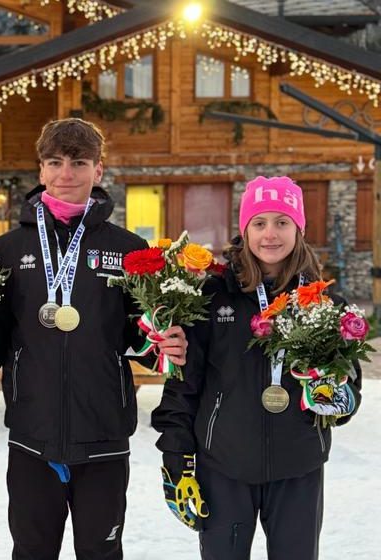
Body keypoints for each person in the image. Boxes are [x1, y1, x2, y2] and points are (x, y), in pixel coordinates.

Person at [0, 118, 187, 559]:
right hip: (31, 434)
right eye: (54, 162)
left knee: (101, 552)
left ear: (98, 171)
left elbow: (140, 334)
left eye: (79, 162)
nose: (66, 174)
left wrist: (166, 348)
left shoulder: (130, 249)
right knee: (33, 551)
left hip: (103, 434)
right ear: (40, 170)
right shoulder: (9, 249)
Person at [151, 176, 363, 560]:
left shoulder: (326, 303)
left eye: (282, 222)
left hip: (298, 467)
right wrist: (176, 458)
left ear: (299, 230)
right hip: (223, 466)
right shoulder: (211, 297)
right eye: (259, 222)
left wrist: (335, 394)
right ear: (244, 229)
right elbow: (184, 382)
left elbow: (349, 398)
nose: (270, 234)